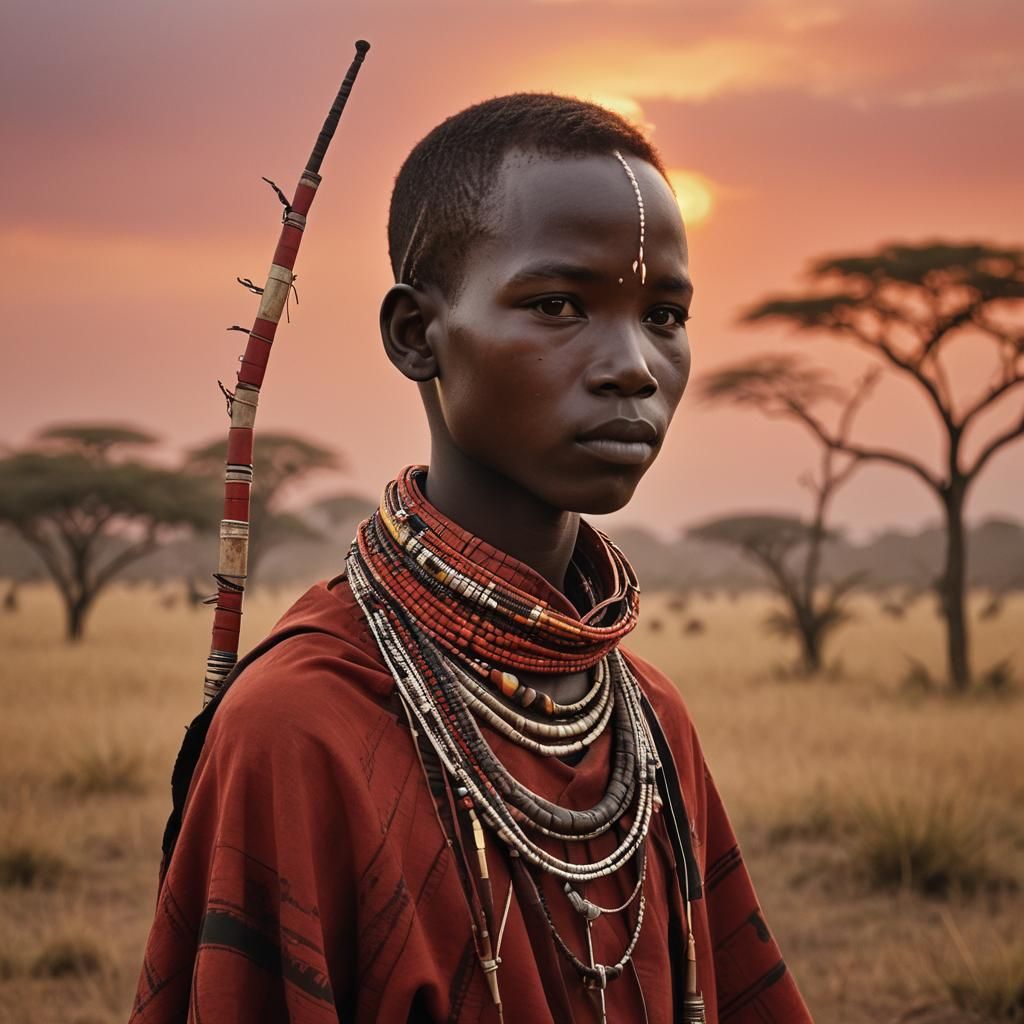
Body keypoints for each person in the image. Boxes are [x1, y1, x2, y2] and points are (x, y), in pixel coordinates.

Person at [130, 94, 812, 1024]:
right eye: (558, 304)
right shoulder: (298, 727)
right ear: (417, 335)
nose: (634, 366)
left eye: (665, 314)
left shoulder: (649, 720)